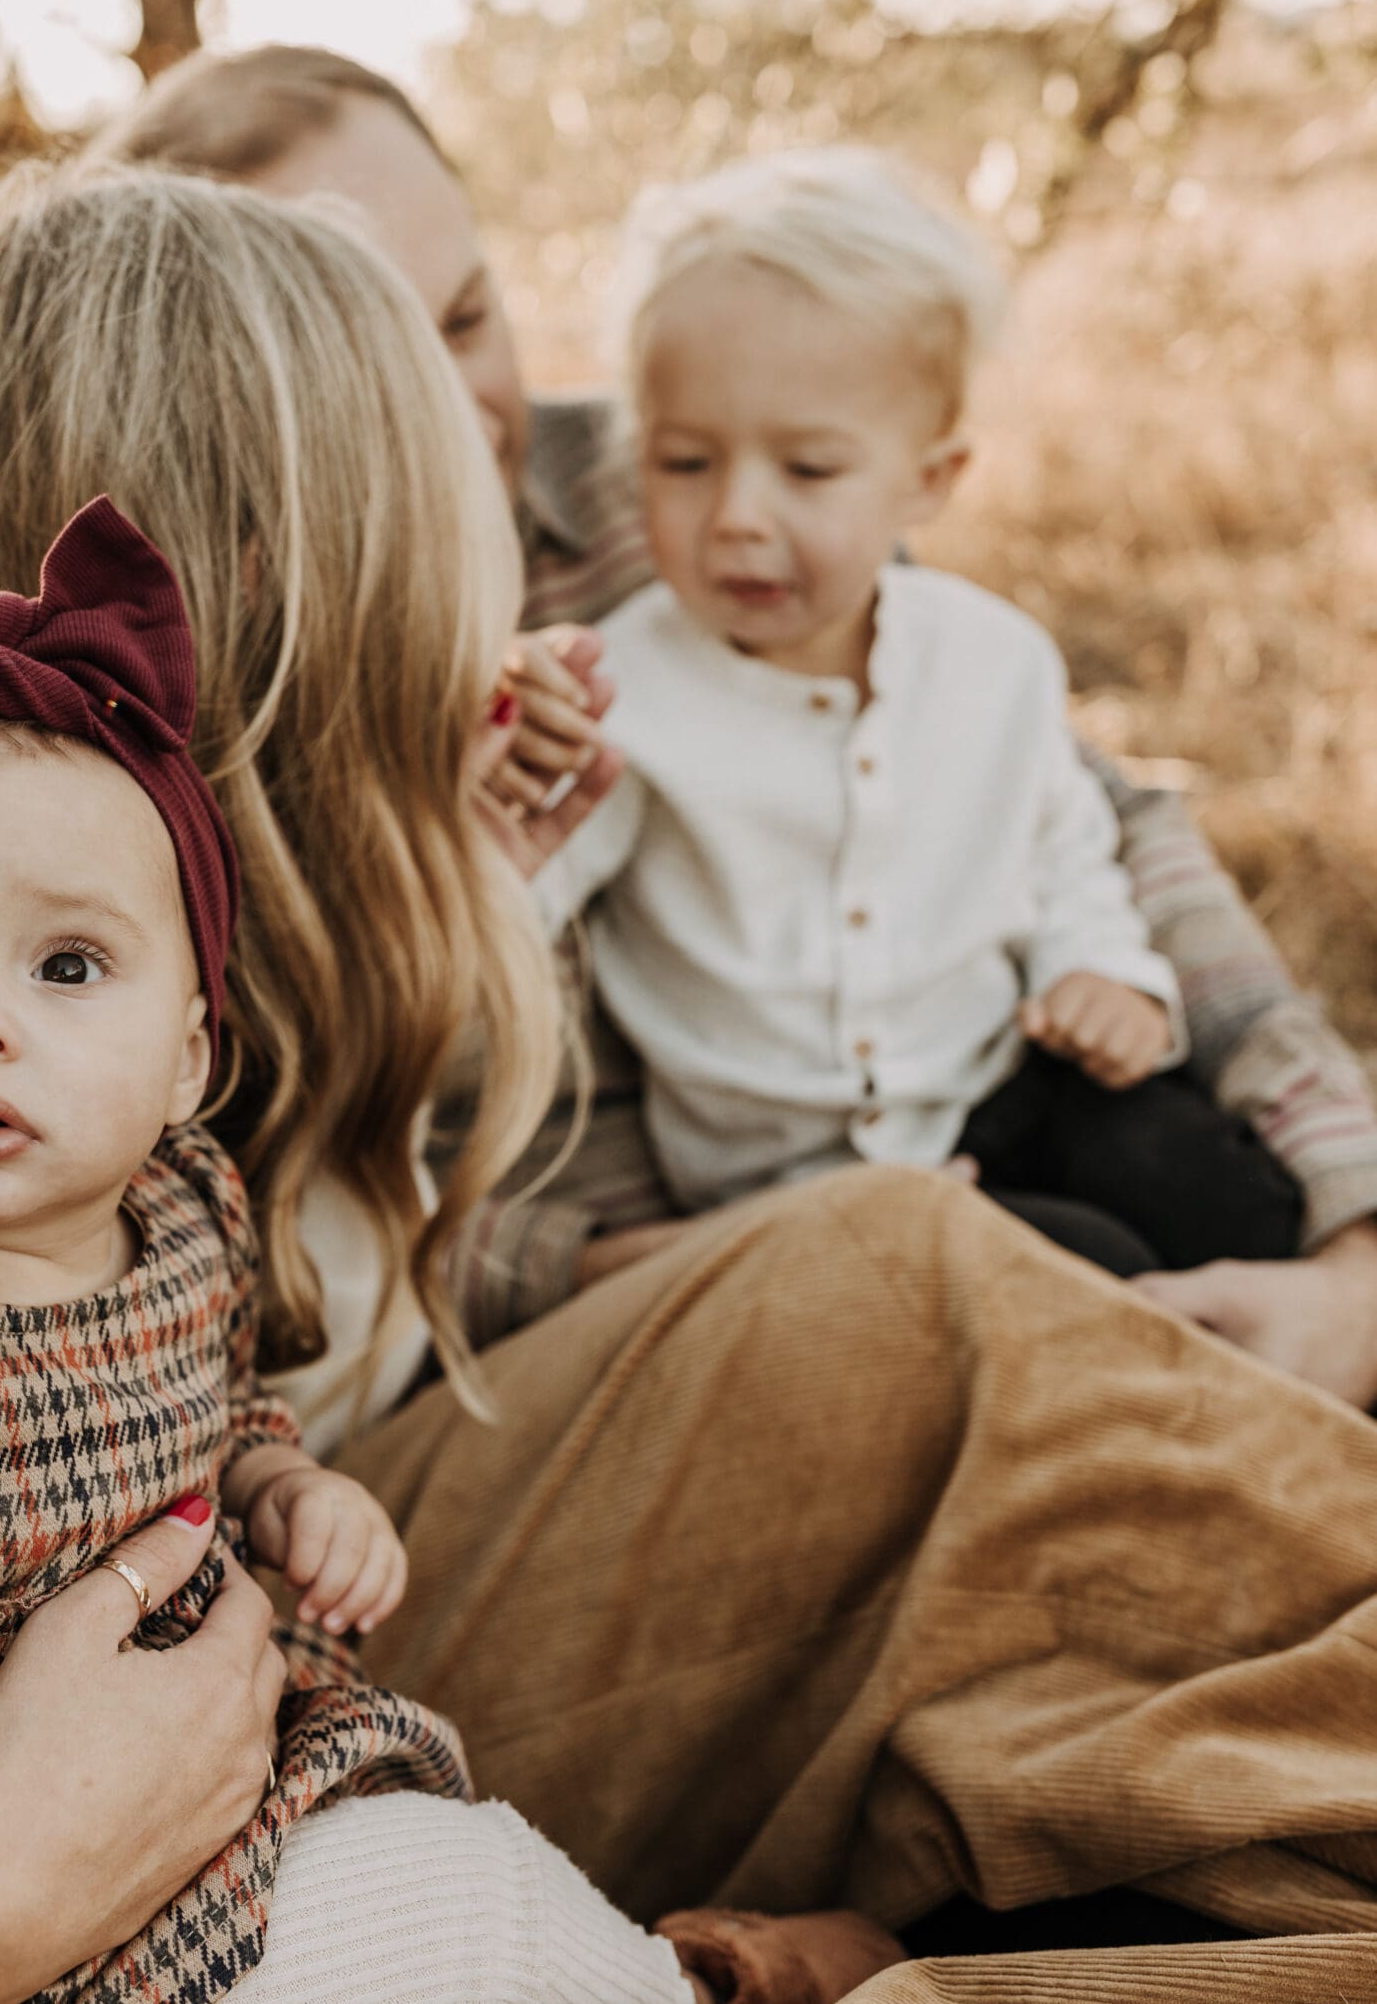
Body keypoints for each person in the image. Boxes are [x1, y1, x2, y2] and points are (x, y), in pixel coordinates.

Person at [0, 159, 1377, 2004]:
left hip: (275, 1681)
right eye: (455, 475)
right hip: (2, 1971)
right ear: (307, 577)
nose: (522, 475)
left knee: (903, 1273)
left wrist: (455, 936)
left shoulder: (176, 917)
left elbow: (215, 1344)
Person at [93, 43, 1377, 1396]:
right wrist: (654, 1265)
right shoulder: (169, 724)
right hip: (602, 1352)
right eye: (381, 358)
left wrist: (1355, 1250)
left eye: (469, 319)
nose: (462, 410)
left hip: (956, 1134)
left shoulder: (686, 481)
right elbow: (263, 1207)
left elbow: (1082, 822)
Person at [522, 145, 1302, 1279]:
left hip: (1005, 1082)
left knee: (1217, 1191)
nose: (738, 515)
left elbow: (1069, 851)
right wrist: (488, 776)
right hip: (796, 1187)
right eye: (685, 462)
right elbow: (509, 908)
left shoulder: (993, 663)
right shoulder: (619, 693)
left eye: (808, 470)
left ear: (928, 480)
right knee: (1087, 1268)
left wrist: (1105, 973)